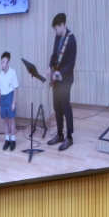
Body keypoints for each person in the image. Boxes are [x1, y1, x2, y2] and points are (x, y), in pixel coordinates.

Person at [47, 13, 77, 152]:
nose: (55, 31)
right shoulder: (57, 37)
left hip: (65, 80)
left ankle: (69, 137)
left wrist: (60, 73)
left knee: (65, 107)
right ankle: (59, 134)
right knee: (57, 106)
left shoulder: (71, 40)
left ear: (63, 25)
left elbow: (71, 64)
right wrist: (49, 67)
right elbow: (54, 55)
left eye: (56, 28)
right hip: (56, 79)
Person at [0, 52, 19, 152]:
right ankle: (7, 140)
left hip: (10, 98)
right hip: (3, 99)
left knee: (11, 121)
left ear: (8, 62)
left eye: (4, 62)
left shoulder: (12, 73)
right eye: (1, 62)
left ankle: (13, 140)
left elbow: (16, 89)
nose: (3, 64)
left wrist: (14, 102)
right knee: (5, 121)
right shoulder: (0, 75)